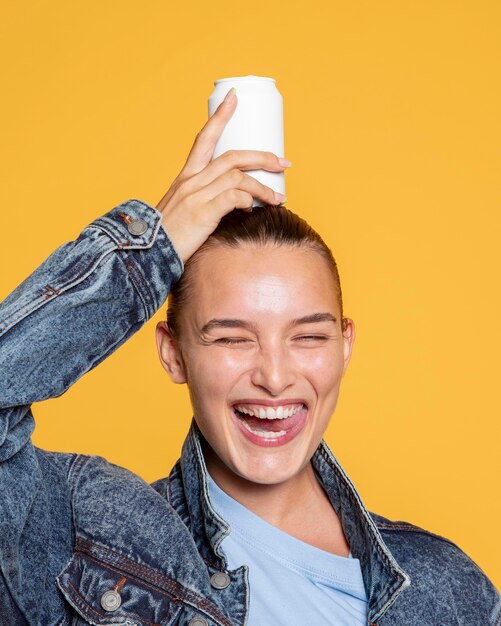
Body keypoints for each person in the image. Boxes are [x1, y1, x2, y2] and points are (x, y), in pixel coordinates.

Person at [0, 87, 499, 626]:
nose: (275, 377)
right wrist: (150, 247)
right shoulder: (92, 541)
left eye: (308, 337)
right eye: (233, 338)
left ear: (345, 345)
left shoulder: (446, 588)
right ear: (174, 354)